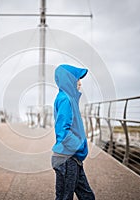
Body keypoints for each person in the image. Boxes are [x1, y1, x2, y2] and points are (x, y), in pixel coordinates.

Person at [51, 64, 95, 200]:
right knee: (64, 197)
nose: (80, 83)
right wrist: (79, 145)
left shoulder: (69, 99)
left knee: (87, 195)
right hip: (67, 158)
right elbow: (62, 131)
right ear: (69, 80)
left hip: (73, 158)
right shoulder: (65, 100)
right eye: (77, 79)